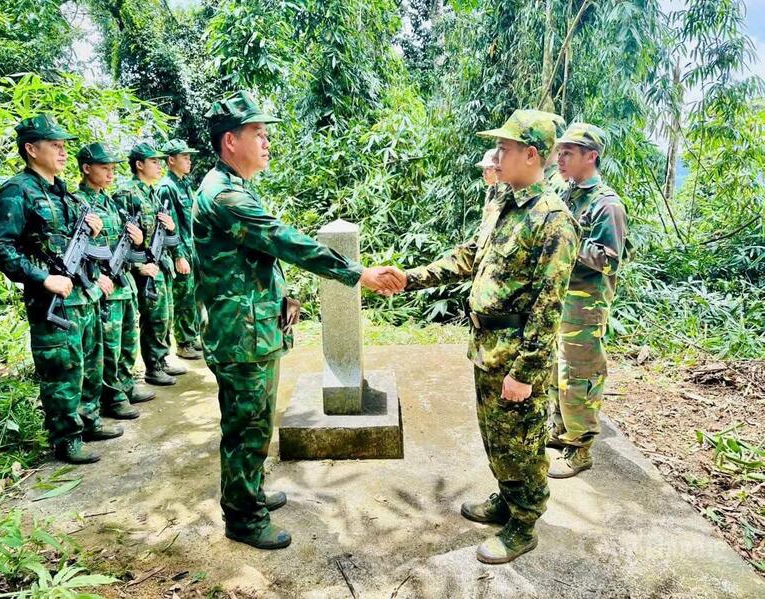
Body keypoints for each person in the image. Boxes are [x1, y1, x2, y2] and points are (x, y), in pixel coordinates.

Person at [193, 91, 403, 551]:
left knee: (255, 421)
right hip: (239, 334)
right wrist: (356, 273)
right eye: (258, 134)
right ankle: (243, 518)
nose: (266, 143)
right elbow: (284, 240)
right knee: (245, 425)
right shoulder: (225, 194)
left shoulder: (235, 186)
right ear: (230, 141)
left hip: (252, 328)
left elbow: (258, 254)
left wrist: (283, 297)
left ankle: (248, 493)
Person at [387, 110, 579, 563]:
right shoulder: (502, 204)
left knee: (523, 441)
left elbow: (549, 305)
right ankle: (507, 496)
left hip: (516, 356)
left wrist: (526, 371)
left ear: (532, 156)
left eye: (507, 148)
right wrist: (409, 278)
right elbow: (471, 257)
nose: (499, 154)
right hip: (486, 346)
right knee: (497, 437)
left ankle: (524, 523)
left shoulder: (554, 220)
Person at [0, 115, 123, 464]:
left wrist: (92, 231)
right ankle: (66, 439)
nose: (63, 152)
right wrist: (41, 278)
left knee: (90, 363)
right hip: (52, 301)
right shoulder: (18, 190)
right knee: (62, 370)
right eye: (55, 146)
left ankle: (88, 420)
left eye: (64, 146)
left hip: (83, 295)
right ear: (31, 149)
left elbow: (74, 244)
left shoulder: (63, 193)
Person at [547, 122, 629, 478]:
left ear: (590, 157)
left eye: (568, 153)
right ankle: (561, 428)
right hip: (559, 298)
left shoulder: (607, 205)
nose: (560, 159)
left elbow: (610, 259)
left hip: (585, 304)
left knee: (578, 374)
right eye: (560, 152)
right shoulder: (568, 195)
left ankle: (580, 447)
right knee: (554, 368)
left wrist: (569, 240)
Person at [75, 142, 148, 420]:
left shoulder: (111, 203)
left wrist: (138, 242)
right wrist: (95, 278)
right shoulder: (78, 202)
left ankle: (126, 386)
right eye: (104, 168)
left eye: (113, 168)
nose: (110, 173)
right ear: (86, 168)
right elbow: (73, 249)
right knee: (108, 347)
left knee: (128, 342)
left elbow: (123, 243)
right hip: (103, 286)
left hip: (124, 282)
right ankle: (113, 398)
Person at [114, 143, 186, 386]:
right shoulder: (127, 193)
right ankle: (153, 367)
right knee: (154, 317)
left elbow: (163, 232)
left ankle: (162, 359)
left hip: (160, 263)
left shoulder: (151, 192)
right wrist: (138, 267)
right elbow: (121, 240)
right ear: (139, 165)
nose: (159, 165)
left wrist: (174, 238)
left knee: (165, 315)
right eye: (154, 161)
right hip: (144, 266)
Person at [158, 139, 202, 361]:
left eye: (189, 156)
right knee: (184, 298)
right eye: (184, 157)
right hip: (181, 252)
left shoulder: (184, 184)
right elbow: (169, 226)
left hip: (192, 248)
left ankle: (192, 337)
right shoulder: (167, 187)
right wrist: (178, 256)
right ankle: (184, 343)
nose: (189, 161)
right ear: (171, 160)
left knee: (194, 297)